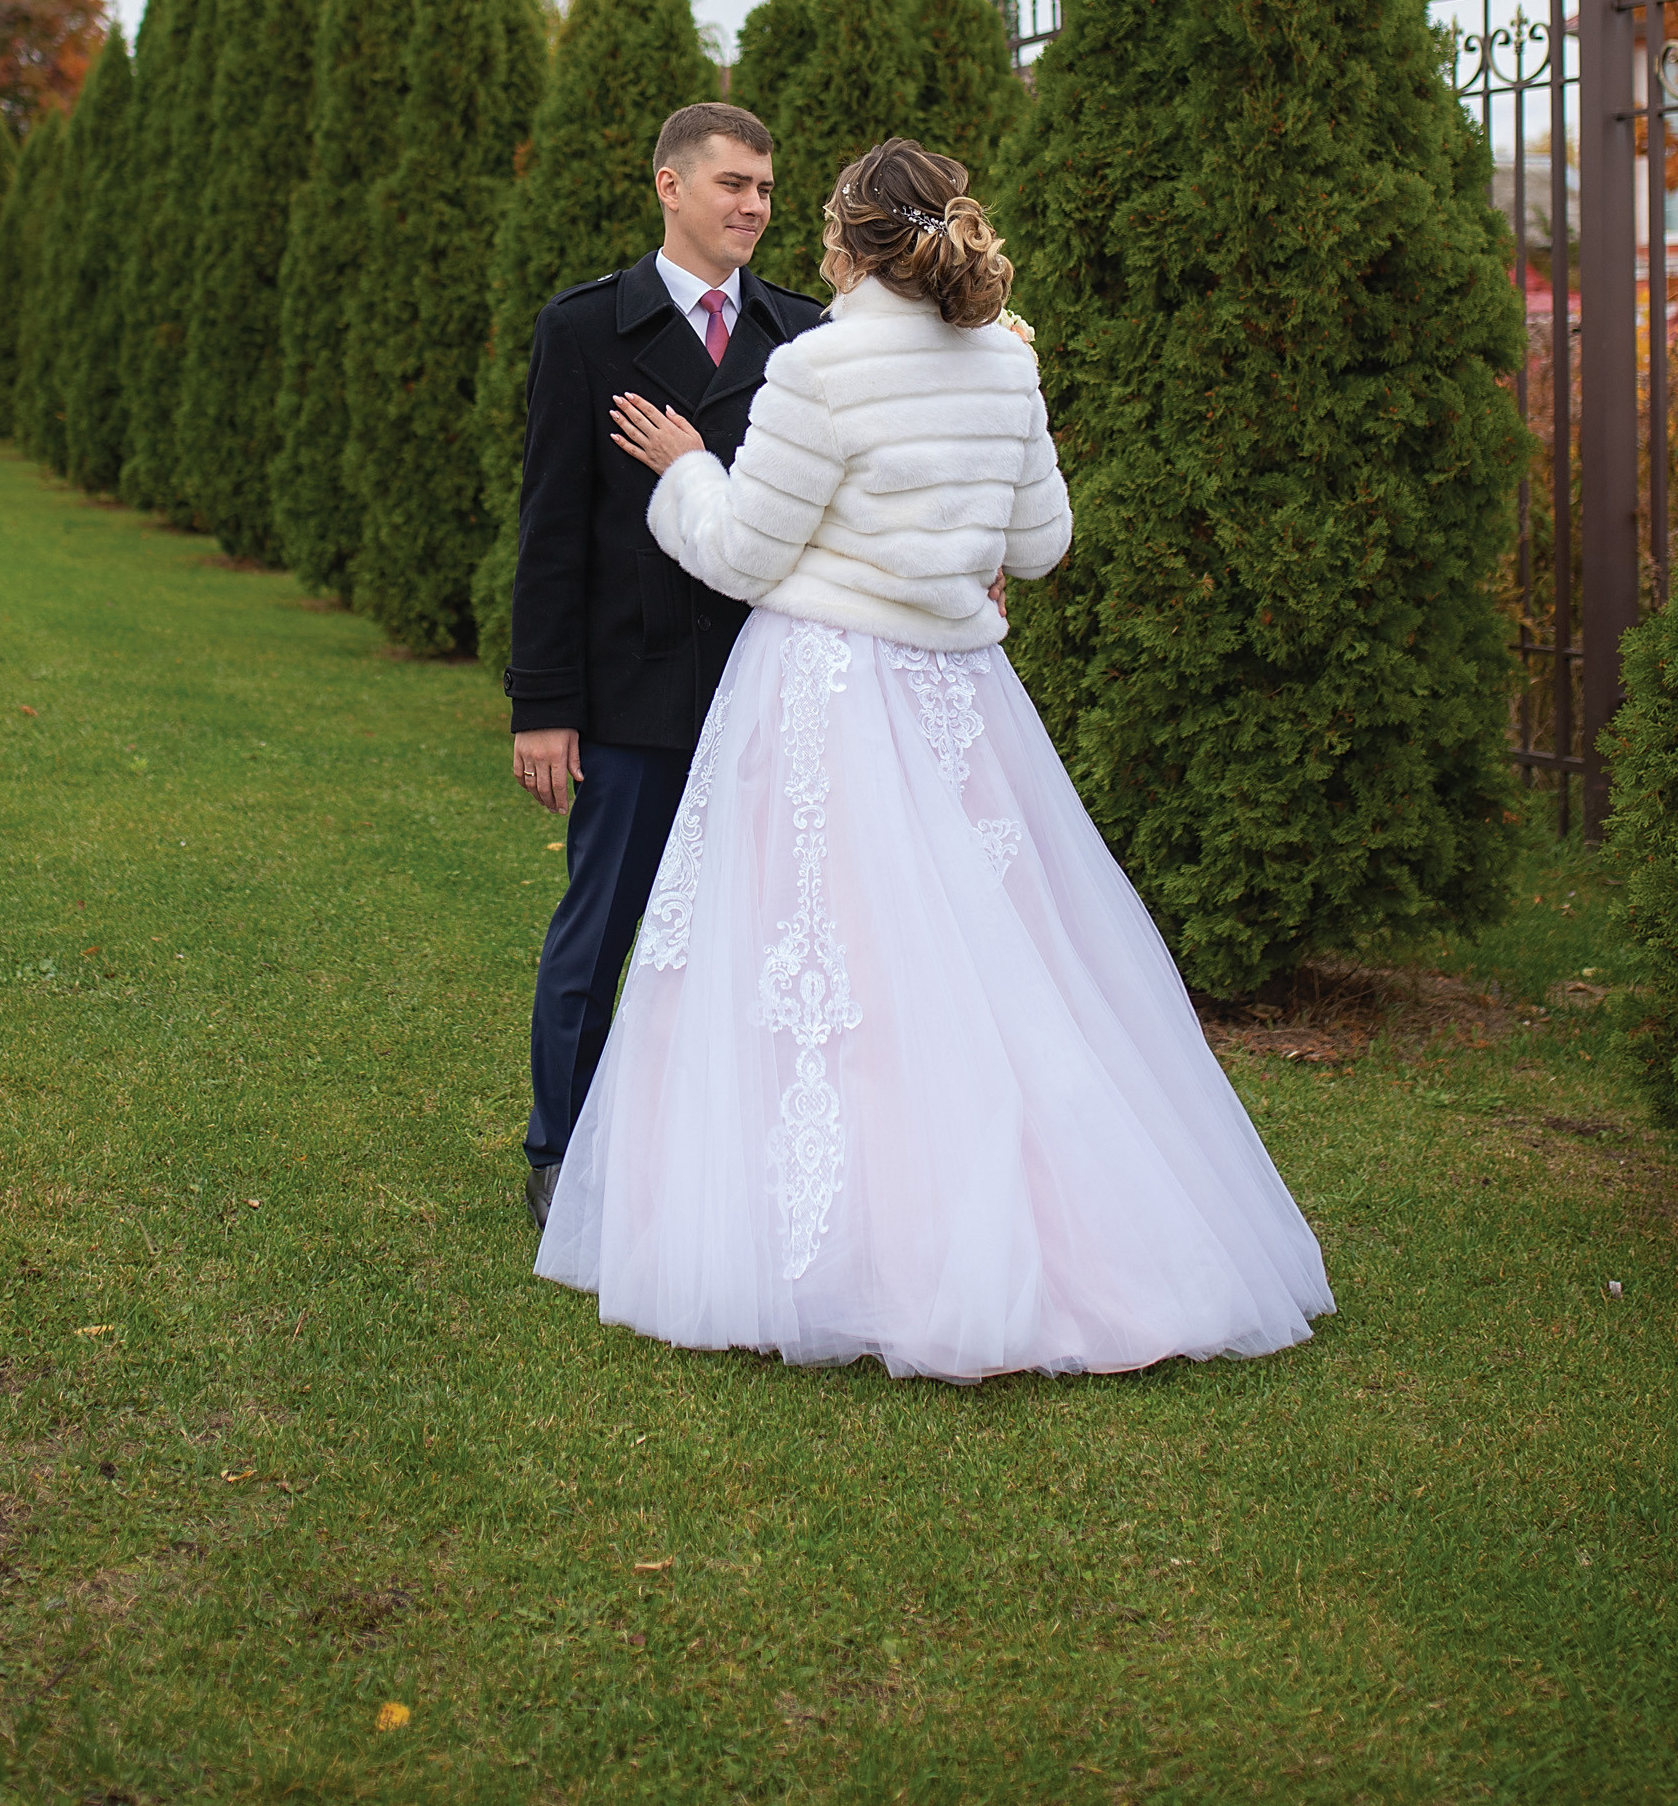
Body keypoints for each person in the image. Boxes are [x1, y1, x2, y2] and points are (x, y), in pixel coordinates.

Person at [533, 137, 1335, 1380]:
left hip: (827, 691)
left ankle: (845, 1249)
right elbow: (1045, 539)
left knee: (825, 968)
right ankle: (1004, 1228)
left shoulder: (818, 367)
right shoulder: (1005, 364)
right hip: (962, 695)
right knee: (982, 961)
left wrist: (689, 470)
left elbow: (743, 554)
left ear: (849, 239)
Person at [506, 102, 828, 1232]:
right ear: (669, 186)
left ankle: (726, 1155)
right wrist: (543, 707)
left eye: (767, 189)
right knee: (602, 930)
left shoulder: (802, 333)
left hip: (769, 688)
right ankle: (561, 1150)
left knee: (763, 936)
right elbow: (551, 530)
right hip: (632, 695)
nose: (753, 205)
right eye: (732, 183)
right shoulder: (587, 328)